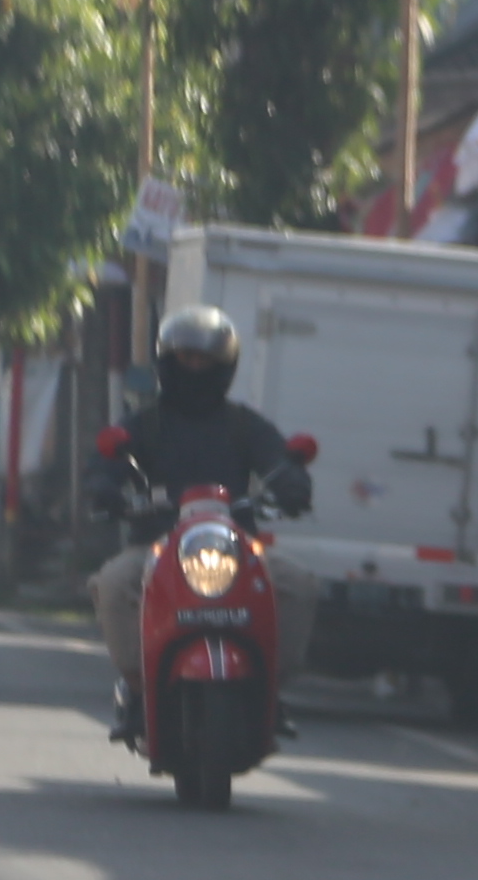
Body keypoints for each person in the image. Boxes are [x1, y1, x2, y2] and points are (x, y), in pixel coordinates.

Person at [91, 306, 318, 738]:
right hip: (156, 547)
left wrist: (291, 481)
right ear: (166, 362)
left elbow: (277, 458)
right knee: (114, 582)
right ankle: (142, 688)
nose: (194, 367)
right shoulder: (144, 423)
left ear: (224, 366)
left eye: (205, 360)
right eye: (185, 358)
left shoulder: (242, 424)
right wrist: (103, 485)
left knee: (299, 583)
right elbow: (107, 461)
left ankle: (270, 690)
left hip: (236, 547)